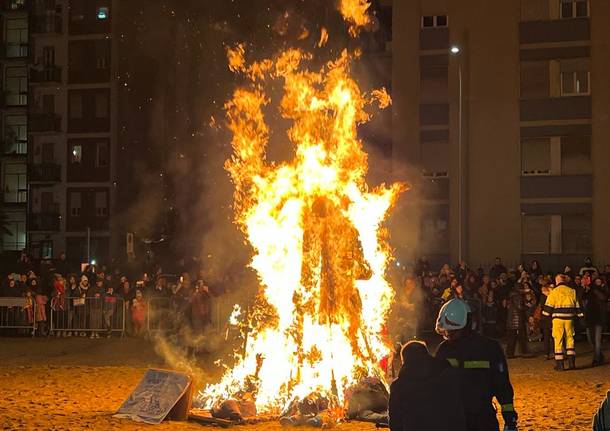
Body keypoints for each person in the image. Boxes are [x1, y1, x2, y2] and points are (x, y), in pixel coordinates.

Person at [435, 299, 517, 431]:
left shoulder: (446, 350)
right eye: (446, 331)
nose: (447, 334)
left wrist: (510, 419)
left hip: (474, 419)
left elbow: (503, 387)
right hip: (464, 419)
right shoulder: (490, 347)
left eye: (451, 330)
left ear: (464, 325)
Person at [389, 340, 467, 431]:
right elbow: (459, 406)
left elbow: (395, 420)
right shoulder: (447, 375)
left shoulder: (398, 385)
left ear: (404, 360)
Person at [542, 274, 584, 371]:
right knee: (570, 340)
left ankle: (560, 365)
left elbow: (547, 309)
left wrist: (544, 319)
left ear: (557, 281)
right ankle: (572, 364)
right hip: (569, 319)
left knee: (558, 341)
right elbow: (577, 307)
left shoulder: (554, 292)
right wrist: (581, 318)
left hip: (558, 320)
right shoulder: (572, 291)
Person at [584, 277, 609, 366]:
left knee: (597, 340)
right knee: (590, 339)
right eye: (596, 281)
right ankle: (600, 355)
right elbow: (583, 297)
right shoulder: (589, 292)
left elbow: (603, 297)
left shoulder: (603, 291)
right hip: (590, 318)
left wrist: (593, 288)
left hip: (599, 318)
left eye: (599, 281)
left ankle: (596, 358)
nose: (598, 283)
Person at [505, 288, 530, 358]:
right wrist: (527, 306)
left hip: (511, 322)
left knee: (511, 338)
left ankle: (510, 353)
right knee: (522, 338)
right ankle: (524, 352)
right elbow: (520, 307)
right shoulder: (519, 297)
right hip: (518, 321)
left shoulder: (510, 298)